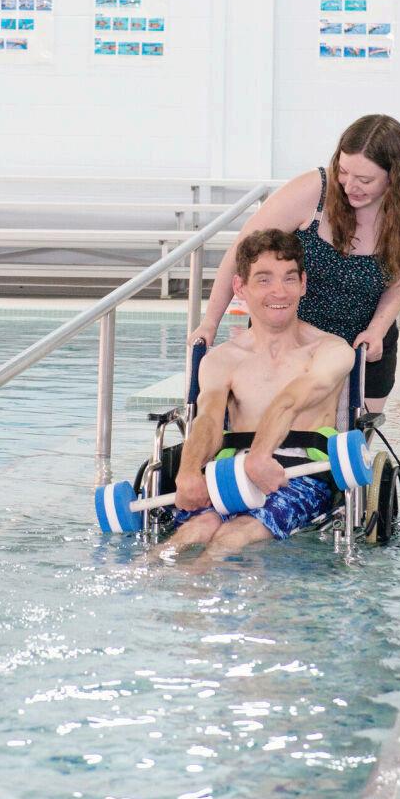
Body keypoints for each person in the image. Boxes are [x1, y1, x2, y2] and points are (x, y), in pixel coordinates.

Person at [189, 115, 400, 413]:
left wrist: (377, 330)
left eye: (365, 180)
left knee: (353, 434)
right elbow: (241, 252)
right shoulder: (313, 191)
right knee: (276, 425)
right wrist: (210, 322)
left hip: (361, 346)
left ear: (395, 176)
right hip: (287, 342)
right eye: (344, 171)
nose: (350, 186)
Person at [164, 229, 356, 555]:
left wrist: (260, 455)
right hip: (230, 476)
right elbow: (208, 419)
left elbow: (290, 400)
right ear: (240, 287)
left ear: (303, 283)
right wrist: (188, 472)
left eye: (289, 278)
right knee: (197, 530)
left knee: (234, 535)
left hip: (302, 476)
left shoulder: (332, 350)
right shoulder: (222, 359)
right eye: (264, 279)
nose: (279, 291)